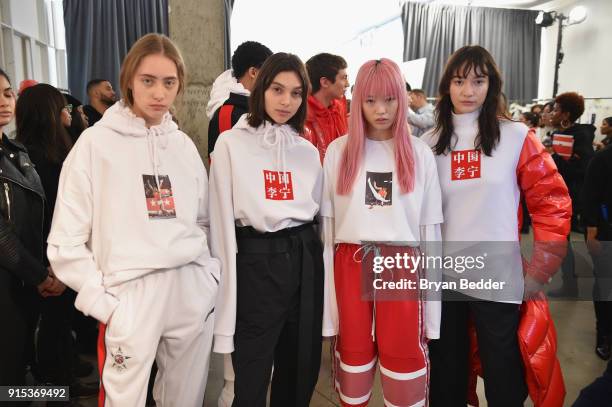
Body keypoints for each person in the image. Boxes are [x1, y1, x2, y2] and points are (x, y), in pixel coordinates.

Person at [47, 33, 219, 407]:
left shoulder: (183, 146)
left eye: (169, 82)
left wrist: (209, 278)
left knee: (185, 399)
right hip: (128, 296)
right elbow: (65, 241)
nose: (159, 92)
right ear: (128, 80)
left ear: (180, 85)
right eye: (148, 80)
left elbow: (205, 222)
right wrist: (104, 302)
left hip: (189, 289)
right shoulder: (95, 145)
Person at [421, 45, 571, 407]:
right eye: (459, 81)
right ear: (446, 85)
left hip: (497, 274)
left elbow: (551, 202)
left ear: (492, 85)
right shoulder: (427, 144)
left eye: (478, 80)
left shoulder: (517, 137)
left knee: (503, 368)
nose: (468, 90)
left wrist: (541, 268)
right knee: (447, 369)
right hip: (444, 276)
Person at [321, 58, 443, 407]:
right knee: (354, 362)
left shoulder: (419, 154)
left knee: (404, 368)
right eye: (370, 100)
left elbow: (429, 232)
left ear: (402, 100)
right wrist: (329, 316)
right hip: (349, 264)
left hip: (402, 268)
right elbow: (327, 234)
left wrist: (432, 318)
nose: (381, 110)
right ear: (357, 100)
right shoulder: (338, 152)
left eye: (390, 99)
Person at [209, 52, 323, 407]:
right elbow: (219, 218)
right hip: (256, 262)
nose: (286, 101)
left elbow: (318, 214)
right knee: (252, 367)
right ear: (261, 89)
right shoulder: (231, 143)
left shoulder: (307, 150)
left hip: (304, 259)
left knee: (300, 363)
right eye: (277, 89)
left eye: (296, 92)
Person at [15, 84, 98, 400]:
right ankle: (58, 387)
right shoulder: (32, 157)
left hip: (58, 255)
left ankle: (64, 377)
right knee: (51, 326)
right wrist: (49, 265)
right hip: (46, 258)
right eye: (62, 108)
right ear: (48, 114)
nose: (69, 112)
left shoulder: (57, 151)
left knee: (61, 322)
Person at [0, 69, 64, 391]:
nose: (3, 101)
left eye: (8, 93)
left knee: (21, 366)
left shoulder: (17, 152)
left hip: (25, 280)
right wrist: (41, 275)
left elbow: (37, 218)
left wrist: (46, 270)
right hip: (11, 280)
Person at [207, 41, 272, 156]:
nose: (273, 80)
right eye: (270, 73)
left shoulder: (261, 105)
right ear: (253, 72)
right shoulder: (226, 114)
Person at [582, 135, 612, 360]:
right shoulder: (602, 159)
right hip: (605, 231)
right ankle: (604, 334)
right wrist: (592, 231)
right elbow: (590, 196)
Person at [303, 52, 349, 160]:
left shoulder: (339, 110)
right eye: (344, 78)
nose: (347, 83)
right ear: (324, 82)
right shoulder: (302, 117)